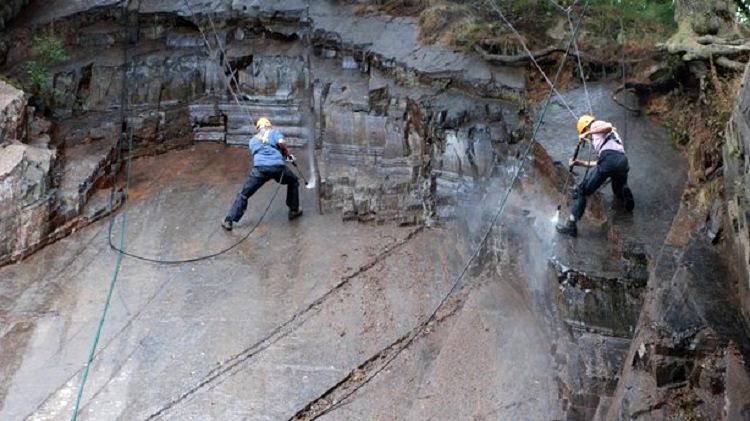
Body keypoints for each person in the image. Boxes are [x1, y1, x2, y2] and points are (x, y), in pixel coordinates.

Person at [556, 114, 634, 237]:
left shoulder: (595, 125)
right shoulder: (611, 137)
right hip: (622, 162)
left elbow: (608, 126)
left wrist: (587, 133)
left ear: (585, 127)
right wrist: (579, 163)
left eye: (584, 132)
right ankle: (623, 191)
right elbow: (600, 164)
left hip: (609, 161)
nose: (589, 139)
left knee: (581, 191)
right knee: (617, 187)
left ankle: (571, 224)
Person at [222, 117, 303, 231]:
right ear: (269, 125)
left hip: (260, 169)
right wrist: (285, 153)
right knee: (293, 181)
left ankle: (229, 220)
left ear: (258, 128)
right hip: (277, 168)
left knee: (244, 194)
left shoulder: (252, 141)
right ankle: (294, 210)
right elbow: (281, 143)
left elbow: (260, 152)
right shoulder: (273, 132)